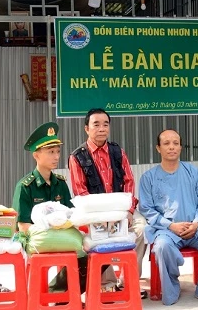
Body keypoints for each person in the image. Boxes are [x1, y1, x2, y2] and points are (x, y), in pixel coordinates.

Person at [68, 108, 148, 298]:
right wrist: (101, 218)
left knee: (141, 228)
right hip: (93, 215)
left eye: (105, 124)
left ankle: (129, 282)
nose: (102, 128)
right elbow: (81, 192)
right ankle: (107, 282)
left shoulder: (117, 152)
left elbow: (129, 181)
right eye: (96, 124)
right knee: (97, 235)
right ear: (87, 128)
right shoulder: (77, 157)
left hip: (122, 211)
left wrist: (129, 211)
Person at [139, 129, 198, 305]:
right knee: (161, 247)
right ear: (158, 148)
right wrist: (170, 226)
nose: (171, 147)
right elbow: (147, 209)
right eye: (166, 143)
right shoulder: (149, 178)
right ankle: (172, 288)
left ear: (181, 147)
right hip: (167, 231)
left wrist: (197, 223)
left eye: (175, 143)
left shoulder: (193, 172)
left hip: (197, 229)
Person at [13, 122, 84, 292]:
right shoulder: (25, 186)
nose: (56, 156)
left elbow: (71, 215)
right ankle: (49, 294)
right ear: (36, 155)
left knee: (91, 256)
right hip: (38, 240)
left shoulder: (61, 183)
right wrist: (50, 232)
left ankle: (57, 292)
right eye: (51, 152)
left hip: (62, 236)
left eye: (58, 151)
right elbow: (22, 226)